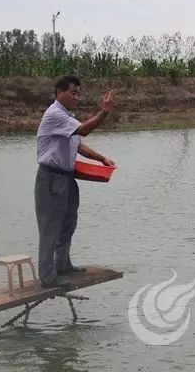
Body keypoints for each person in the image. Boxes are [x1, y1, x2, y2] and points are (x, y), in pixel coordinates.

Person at [35, 75, 116, 287]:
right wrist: (105, 110)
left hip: (67, 177)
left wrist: (101, 158)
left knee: (69, 221)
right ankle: (47, 275)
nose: (76, 97)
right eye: (73, 92)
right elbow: (85, 130)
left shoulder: (67, 116)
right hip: (50, 177)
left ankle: (62, 265)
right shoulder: (55, 114)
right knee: (50, 225)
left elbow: (78, 146)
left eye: (79, 93)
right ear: (59, 92)